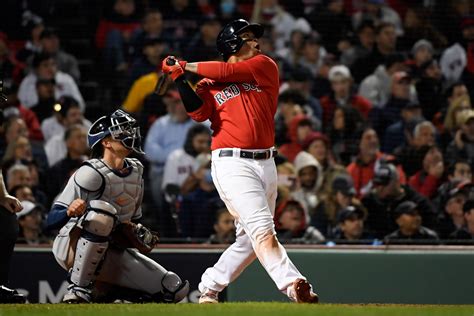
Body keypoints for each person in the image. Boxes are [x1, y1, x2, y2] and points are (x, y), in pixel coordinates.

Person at [161, 19, 318, 304]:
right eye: (248, 38)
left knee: (249, 240)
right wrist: (178, 79)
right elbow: (198, 113)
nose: (256, 43)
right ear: (232, 44)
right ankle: (294, 284)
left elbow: (230, 71)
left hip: (267, 163)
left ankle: (208, 287)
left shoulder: (264, 66)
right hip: (232, 163)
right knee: (261, 228)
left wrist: (185, 65)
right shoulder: (209, 84)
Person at [45, 109, 189, 303]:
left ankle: (107, 294)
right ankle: (78, 289)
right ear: (106, 142)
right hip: (72, 246)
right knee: (102, 214)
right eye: (122, 132)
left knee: (173, 288)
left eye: (130, 130)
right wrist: (70, 210)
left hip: (111, 249)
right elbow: (50, 220)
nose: (130, 135)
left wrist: (138, 232)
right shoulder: (90, 171)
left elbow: (133, 220)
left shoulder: (136, 171)